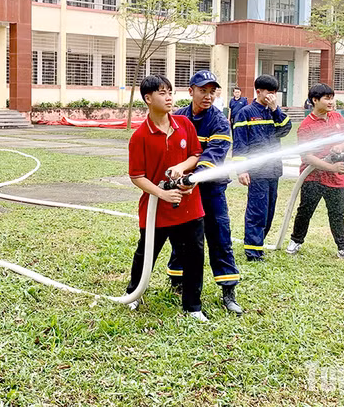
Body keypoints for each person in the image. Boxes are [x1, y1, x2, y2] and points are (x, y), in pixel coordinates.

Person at [124, 74, 208, 322]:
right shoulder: (140, 136)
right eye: (162, 93)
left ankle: (193, 306)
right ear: (148, 99)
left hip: (190, 206)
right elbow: (136, 176)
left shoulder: (184, 124)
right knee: (146, 253)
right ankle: (134, 294)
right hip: (156, 210)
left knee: (195, 254)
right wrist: (161, 193)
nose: (169, 97)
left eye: (170, 91)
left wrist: (182, 168)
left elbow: (195, 155)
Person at [167, 71, 242, 315]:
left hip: (211, 190)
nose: (208, 96)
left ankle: (228, 291)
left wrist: (193, 178)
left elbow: (214, 155)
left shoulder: (219, 122)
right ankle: (177, 281)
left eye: (212, 91)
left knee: (219, 235)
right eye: (203, 90)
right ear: (191, 91)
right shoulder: (177, 117)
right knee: (181, 236)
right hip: (184, 189)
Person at [287, 84, 344, 260]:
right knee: (306, 210)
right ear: (315, 100)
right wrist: (330, 167)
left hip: (336, 177)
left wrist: (340, 146)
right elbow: (307, 157)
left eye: (332, 98)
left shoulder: (337, 118)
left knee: (337, 213)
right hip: (313, 177)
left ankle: (343, 247)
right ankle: (296, 241)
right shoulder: (306, 126)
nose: (331, 102)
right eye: (327, 98)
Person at [232, 74, 292, 261]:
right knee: (257, 211)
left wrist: (275, 109)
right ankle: (253, 252)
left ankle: (259, 244)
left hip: (273, 170)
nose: (272, 96)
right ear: (258, 91)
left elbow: (285, 129)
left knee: (269, 211)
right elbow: (240, 143)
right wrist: (241, 169)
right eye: (269, 92)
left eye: (275, 92)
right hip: (256, 172)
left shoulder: (274, 112)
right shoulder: (246, 113)